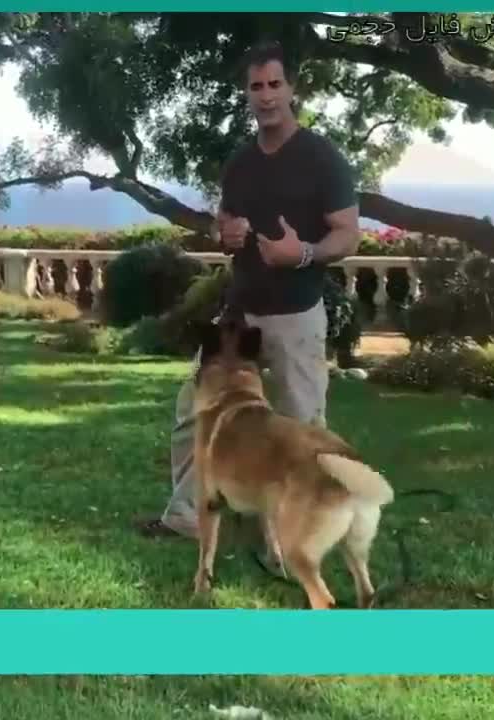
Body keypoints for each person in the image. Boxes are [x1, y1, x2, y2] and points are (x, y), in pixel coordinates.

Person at [135, 41, 361, 576]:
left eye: (274, 84)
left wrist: (301, 253)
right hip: (238, 315)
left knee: (300, 428)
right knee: (192, 413)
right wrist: (227, 234)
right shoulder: (240, 162)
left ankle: (293, 539)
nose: (266, 96)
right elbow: (227, 225)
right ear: (247, 93)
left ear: (292, 88)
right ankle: (188, 517)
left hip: (295, 315)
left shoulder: (323, 158)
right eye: (256, 86)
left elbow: (348, 234)